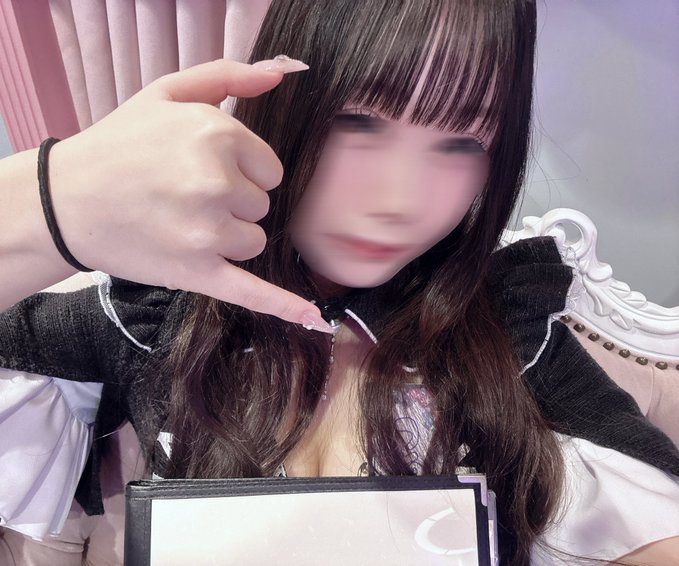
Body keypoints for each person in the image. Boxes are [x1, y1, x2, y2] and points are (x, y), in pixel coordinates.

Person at [1, 0, 678, 564]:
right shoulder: (156, 311)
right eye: (358, 123)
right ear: (281, 103)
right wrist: (48, 196)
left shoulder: (502, 322)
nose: (400, 199)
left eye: (462, 143)